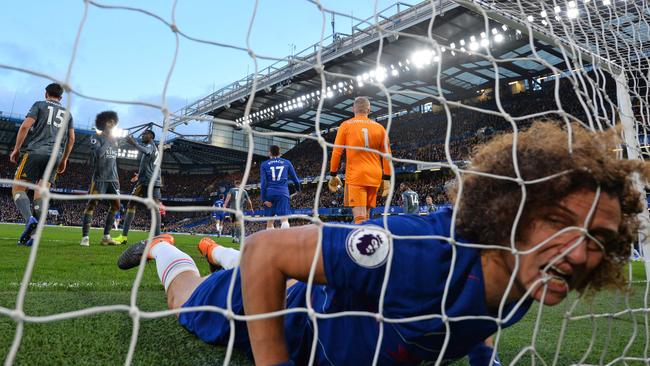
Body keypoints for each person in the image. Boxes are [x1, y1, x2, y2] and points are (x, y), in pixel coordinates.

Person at [117, 121, 646, 365]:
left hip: (317, 284)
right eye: (559, 223)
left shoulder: (529, 274)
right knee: (186, 305)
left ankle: (216, 254)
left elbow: (483, 318)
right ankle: (169, 248)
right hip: (290, 311)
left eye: (597, 240)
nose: (578, 254)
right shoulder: (418, 254)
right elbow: (268, 253)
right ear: (513, 213)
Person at [10, 83, 75, 246]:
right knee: (41, 193)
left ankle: (29, 220)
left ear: (46, 93)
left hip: (36, 152)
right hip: (56, 156)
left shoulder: (39, 105)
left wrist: (17, 149)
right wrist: (65, 159)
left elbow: (25, 126)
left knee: (18, 188)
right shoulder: (68, 114)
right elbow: (72, 138)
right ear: (60, 97)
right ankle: (33, 237)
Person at [328, 96, 392, 224]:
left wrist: (333, 174)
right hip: (375, 175)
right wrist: (387, 178)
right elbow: (387, 155)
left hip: (356, 175)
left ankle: (359, 243)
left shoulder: (346, 125)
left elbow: (337, 152)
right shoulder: (380, 128)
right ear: (369, 110)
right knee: (367, 216)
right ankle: (370, 242)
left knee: (359, 217)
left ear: (353, 109)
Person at [80, 111, 121, 246]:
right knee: (92, 204)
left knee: (116, 205)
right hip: (99, 178)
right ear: (102, 123)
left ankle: (106, 236)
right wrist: (108, 142)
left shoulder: (115, 141)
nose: (112, 124)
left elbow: (113, 160)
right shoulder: (96, 137)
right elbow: (98, 154)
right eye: (109, 122)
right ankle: (85, 237)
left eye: (113, 123)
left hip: (113, 179)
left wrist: (117, 178)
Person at [114, 129, 162, 245]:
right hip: (153, 181)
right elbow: (150, 166)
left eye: (144, 134)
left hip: (146, 182)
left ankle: (124, 237)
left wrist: (134, 143)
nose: (142, 136)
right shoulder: (155, 149)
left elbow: (146, 151)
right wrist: (139, 175)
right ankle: (159, 239)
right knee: (154, 209)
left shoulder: (150, 146)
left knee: (132, 205)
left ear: (150, 136)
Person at [260, 145, 301, 229]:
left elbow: (263, 182)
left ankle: (270, 242)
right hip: (283, 192)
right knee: (284, 219)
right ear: (280, 153)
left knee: (270, 220)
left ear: (269, 153)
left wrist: (264, 199)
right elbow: (296, 179)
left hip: (270, 192)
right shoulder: (287, 162)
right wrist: (298, 190)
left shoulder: (264, 164)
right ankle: (285, 241)